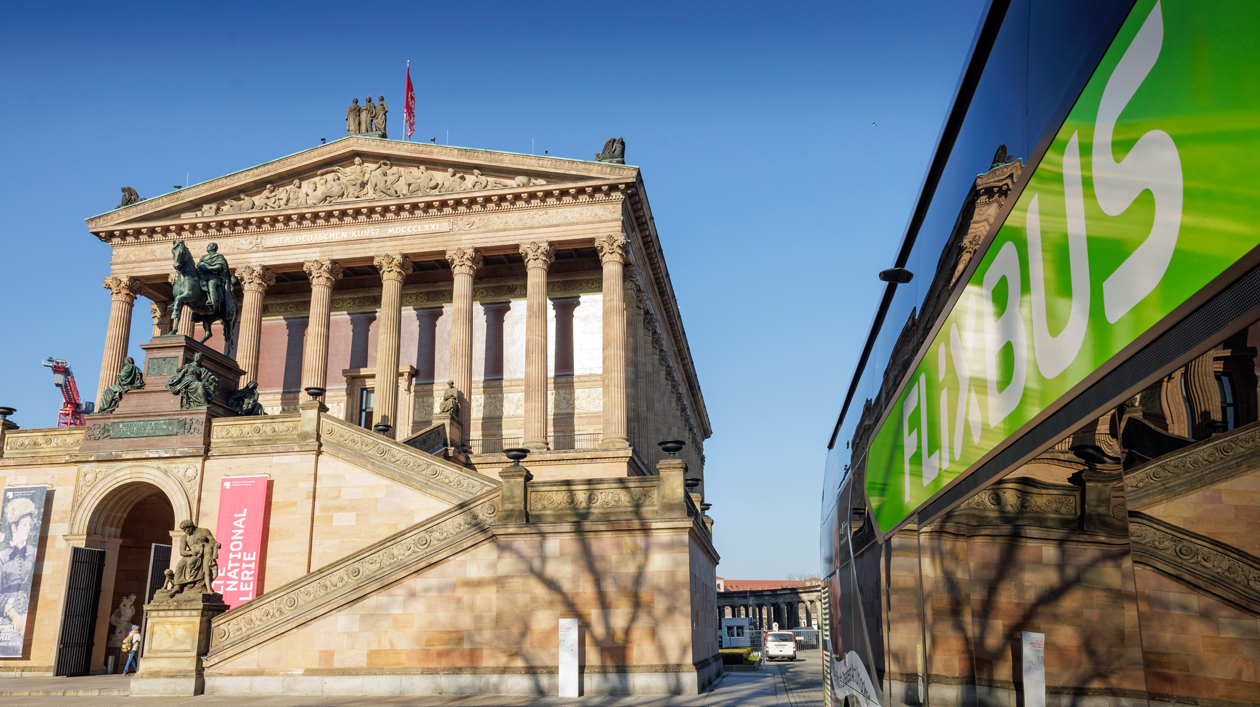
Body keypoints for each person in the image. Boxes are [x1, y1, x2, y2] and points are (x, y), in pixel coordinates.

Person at [0, 497, 37, 638]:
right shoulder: (2, 556)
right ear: (14, 527)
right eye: (23, 524)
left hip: (28, 610)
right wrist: (12, 613)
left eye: (29, 523)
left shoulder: (33, 553)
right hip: (5, 613)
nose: (28, 528)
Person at [196, 243, 231, 311]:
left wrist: (208, 268)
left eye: (208, 245)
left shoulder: (218, 256)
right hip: (203, 277)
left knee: (211, 285)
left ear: (213, 247)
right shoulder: (204, 257)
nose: (207, 246)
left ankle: (212, 302)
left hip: (213, 277)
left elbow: (219, 267)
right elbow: (199, 266)